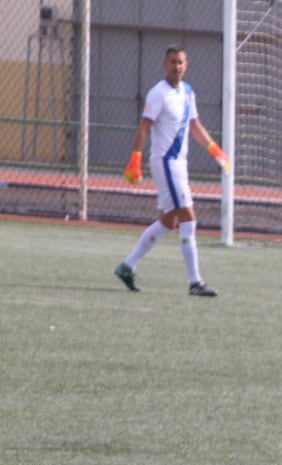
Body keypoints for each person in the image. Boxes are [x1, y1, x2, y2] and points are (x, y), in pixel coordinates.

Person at [113, 44, 229, 298]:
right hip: (166, 162)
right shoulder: (159, 93)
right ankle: (195, 282)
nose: (177, 66)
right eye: (172, 62)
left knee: (168, 221)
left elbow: (194, 125)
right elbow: (144, 127)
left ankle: (126, 267)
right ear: (165, 64)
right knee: (188, 216)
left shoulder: (188, 92)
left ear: (186, 65)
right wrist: (135, 159)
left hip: (179, 163)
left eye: (181, 62)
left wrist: (215, 150)